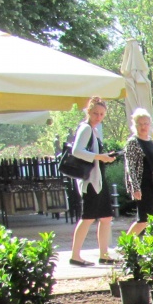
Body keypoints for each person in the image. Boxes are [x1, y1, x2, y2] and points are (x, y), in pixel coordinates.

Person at [67, 96, 118, 266]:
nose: (99, 117)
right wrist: (100, 157)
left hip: (97, 180)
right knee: (88, 217)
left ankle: (104, 254)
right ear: (88, 112)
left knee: (105, 217)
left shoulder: (94, 130)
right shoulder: (86, 129)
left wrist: (103, 157)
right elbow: (77, 151)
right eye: (96, 113)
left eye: (102, 114)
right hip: (91, 181)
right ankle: (75, 255)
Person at [124, 108, 153, 236]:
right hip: (144, 184)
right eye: (140, 124)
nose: (143, 126)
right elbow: (130, 167)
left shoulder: (151, 141)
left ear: (150, 124)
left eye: (146, 123)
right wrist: (135, 188)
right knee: (144, 219)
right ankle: (126, 245)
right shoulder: (132, 143)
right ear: (134, 125)